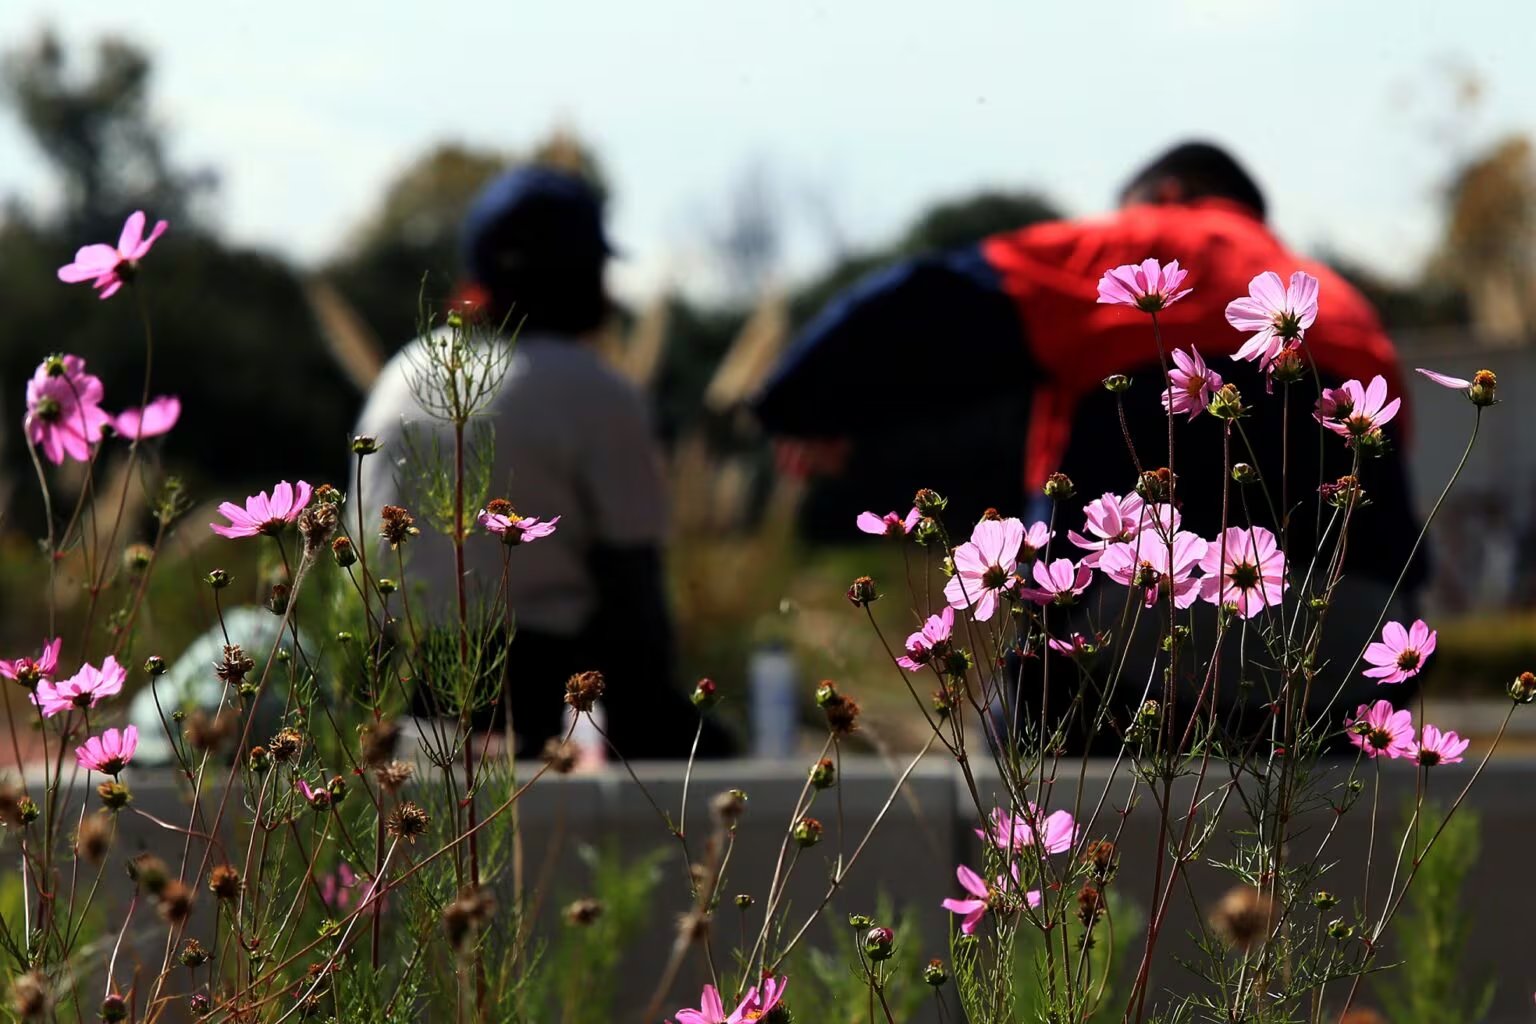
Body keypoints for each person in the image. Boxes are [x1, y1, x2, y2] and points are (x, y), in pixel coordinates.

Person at [755, 142, 1426, 748]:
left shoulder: (1140, 243)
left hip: (1140, 622)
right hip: (1355, 637)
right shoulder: (1342, 301)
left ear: (1163, 196)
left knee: (1025, 749)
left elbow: (936, 291)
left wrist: (795, 404)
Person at [354, 166, 729, 759]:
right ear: (583, 278)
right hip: (541, 710)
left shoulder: (402, 373)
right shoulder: (596, 391)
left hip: (401, 706)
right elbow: (634, 598)